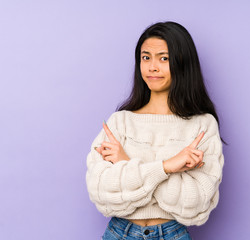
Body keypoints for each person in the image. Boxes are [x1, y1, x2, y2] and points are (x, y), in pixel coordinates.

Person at [86, 21, 225, 240]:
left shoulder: (201, 125)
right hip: (119, 233)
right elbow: (101, 191)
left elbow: (197, 202)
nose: (152, 67)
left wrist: (124, 164)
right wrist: (168, 166)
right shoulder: (120, 122)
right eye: (146, 57)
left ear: (182, 63)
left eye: (164, 58)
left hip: (172, 234)